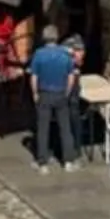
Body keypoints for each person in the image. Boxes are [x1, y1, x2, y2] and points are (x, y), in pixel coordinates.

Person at [26, 24, 81, 172]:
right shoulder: (64, 55)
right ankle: (68, 161)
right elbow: (71, 77)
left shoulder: (39, 55)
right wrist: (67, 92)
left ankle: (43, 163)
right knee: (65, 127)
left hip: (44, 93)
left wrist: (35, 93)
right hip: (61, 93)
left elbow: (34, 77)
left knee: (43, 128)